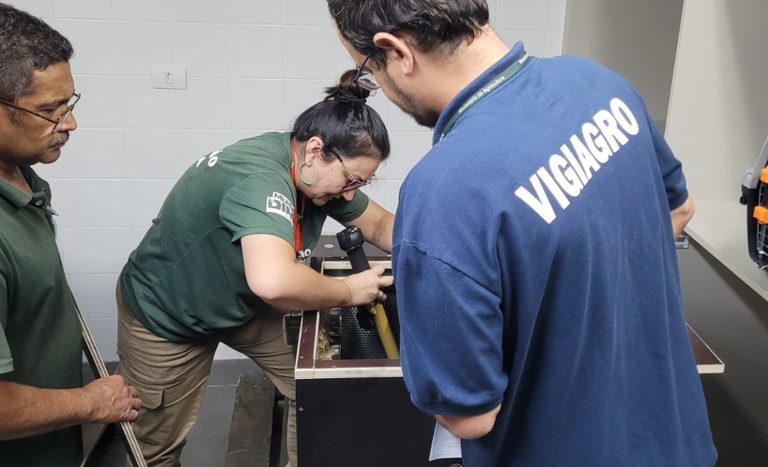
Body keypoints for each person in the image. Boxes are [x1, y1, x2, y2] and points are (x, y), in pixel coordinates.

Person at [328, 1, 717, 466]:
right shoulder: (599, 83)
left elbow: (470, 416)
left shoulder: (444, 191)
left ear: (397, 52)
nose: (380, 88)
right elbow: (679, 209)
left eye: (368, 71)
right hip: (679, 442)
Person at [117, 70, 394, 467]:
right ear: (316, 150)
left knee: (315, 385)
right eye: (350, 180)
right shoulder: (261, 179)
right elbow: (274, 280)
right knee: (153, 448)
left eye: (360, 184)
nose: (350, 193)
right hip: (168, 315)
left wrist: (439, 251)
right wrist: (350, 291)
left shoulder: (314, 173)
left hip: (240, 301)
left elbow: (381, 226)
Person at [0, 4, 142, 467]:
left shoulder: (21, 176)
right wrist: (93, 402)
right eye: (49, 110)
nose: (70, 123)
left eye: (70, 103)